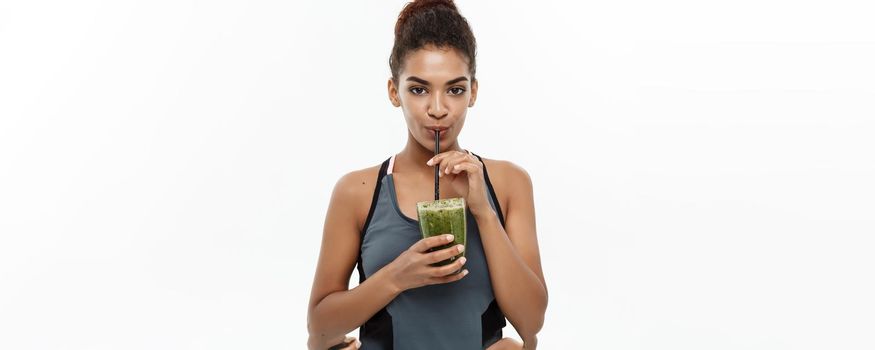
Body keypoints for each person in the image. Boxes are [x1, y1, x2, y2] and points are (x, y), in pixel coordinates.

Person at [307, 1, 547, 349]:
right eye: (419, 90)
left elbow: (531, 323)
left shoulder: (508, 184)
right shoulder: (357, 191)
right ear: (395, 92)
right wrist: (397, 276)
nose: (438, 109)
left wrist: (483, 211)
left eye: (455, 89)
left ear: (473, 93)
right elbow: (319, 330)